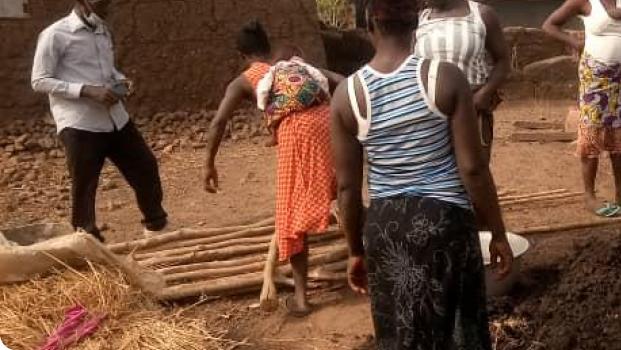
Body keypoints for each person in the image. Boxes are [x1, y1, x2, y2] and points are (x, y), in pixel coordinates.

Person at [330, 0, 514, 347]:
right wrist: (498, 233)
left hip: (386, 228)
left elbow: (348, 189)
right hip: (444, 223)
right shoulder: (444, 78)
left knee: (401, 333)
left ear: (369, 25)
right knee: (459, 328)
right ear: (417, 25)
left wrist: (356, 250)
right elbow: (473, 169)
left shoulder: (347, 95)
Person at [203, 22, 343, 316]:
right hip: (328, 123)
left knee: (290, 214)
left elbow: (218, 123)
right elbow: (340, 81)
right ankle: (370, 260)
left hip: (299, 135)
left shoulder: (245, 80)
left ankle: (302, 299)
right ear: (268, 46)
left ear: (241, 53)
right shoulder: (292, 67)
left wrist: (209, 165)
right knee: (344, 194)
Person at [30, 0, 169, 242]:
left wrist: (121, 81)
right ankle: (88, 240)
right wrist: (86, 90)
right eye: (100, 1)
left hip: (115, 117)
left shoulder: (102, 31)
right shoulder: (55, 34)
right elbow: (39, 80)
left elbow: (108, 71)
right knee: (84, 185)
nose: (106, 5)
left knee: (145, 166)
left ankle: (155, 226)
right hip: (80, 123)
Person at [543, 0, 621, 217]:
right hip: (595, 74)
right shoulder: (584, 1)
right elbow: (549, 25)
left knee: (619, 131)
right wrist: (576, 43)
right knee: (592, 130)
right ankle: (589, 196)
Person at [415, 0, 512, 166]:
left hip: (472, 110)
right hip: (428, 113)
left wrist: (484, 94)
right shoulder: (420, 19)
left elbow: (503, 62)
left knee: (471, 169)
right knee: (432, 174)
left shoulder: (482, 15)